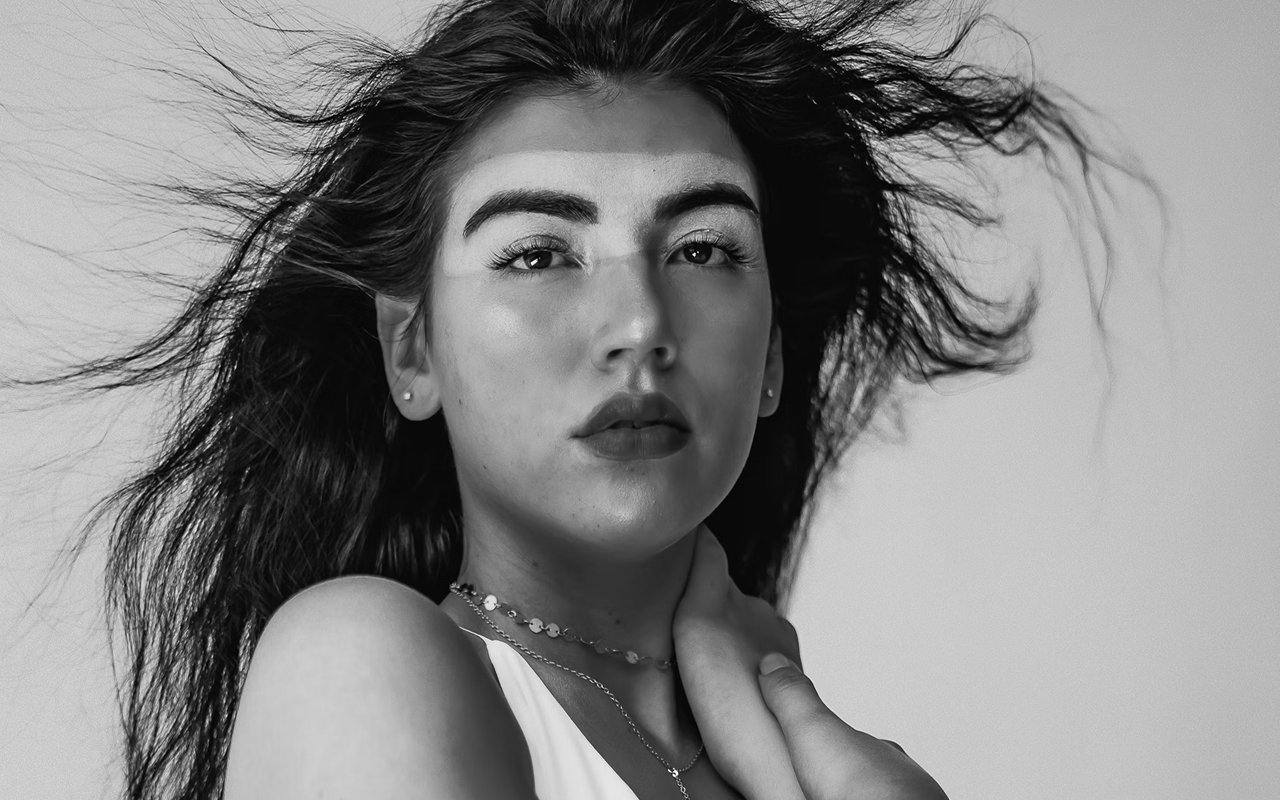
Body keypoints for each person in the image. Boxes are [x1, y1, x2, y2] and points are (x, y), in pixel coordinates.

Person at [72, 0, 1127, 798]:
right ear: (412, 349)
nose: (638, 321)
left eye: (705, 247)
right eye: (537, 253)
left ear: (771, 356)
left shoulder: (780, 751)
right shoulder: (357, 656)